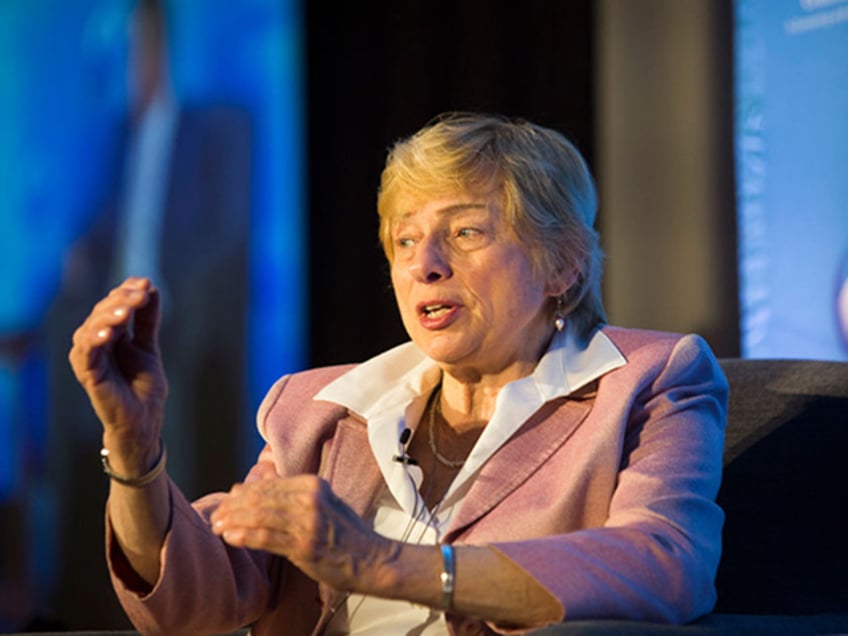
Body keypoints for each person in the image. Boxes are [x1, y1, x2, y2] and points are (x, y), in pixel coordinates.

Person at [69, 112, 727, 635]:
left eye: (465, 232)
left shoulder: (648, 382)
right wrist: (135, 449)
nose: (425, 264)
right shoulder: (321, 409)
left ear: (563, 267)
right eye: (405, 240)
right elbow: (196, 602)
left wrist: (382, 564)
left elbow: (667, 566)